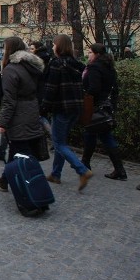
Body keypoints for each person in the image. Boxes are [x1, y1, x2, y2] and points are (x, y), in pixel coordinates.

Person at [0, 37, 46, 192]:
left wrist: (2, 123)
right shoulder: (30, 67)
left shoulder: (11, 69)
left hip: (18, 117)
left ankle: (35, 190)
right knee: (19, 151)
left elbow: (9, 100)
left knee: (20, 151)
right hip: (31, 111)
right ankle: (4, 179)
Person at [42, 34, 93, 191]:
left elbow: (51, 89)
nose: (52, 47)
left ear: (59, 46)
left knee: (59, 143)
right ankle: (56, 174)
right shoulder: (77, 64)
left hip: (62, 108)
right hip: (76, 108)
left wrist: (43, 107)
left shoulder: (56, 64)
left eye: (54, 44)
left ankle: (82, 170)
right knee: (61, 141)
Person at [80, 43, 127, 180]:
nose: (88, 55)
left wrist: (86, 98)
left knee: (97, 134)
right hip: (106, 106)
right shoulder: (109, 67)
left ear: (97, 54)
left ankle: (118, 170)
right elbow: (115, 89)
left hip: (96, 107)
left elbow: (94, 88)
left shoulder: (95, 67)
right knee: (96, 134)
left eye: (90, 52)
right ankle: (87, 163)